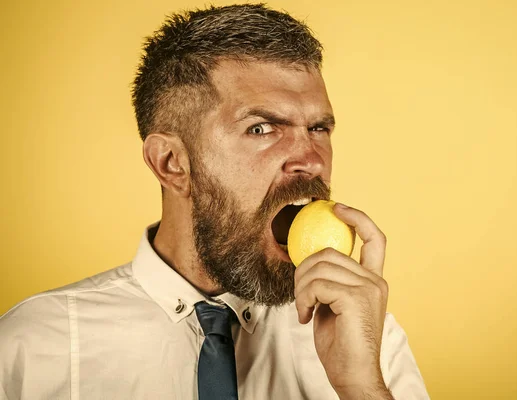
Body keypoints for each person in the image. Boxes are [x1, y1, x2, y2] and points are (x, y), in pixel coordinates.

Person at [0, 4, 428, 399]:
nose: (312, 162)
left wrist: (361, 387)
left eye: (318, 129)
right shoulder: (34, 348)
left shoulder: (367, 338)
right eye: (262, 128)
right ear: (171, 163)